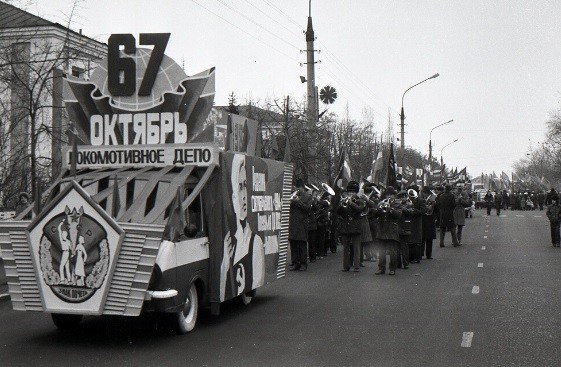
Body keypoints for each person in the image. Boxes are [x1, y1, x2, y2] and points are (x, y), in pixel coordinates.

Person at [336, 181, 366, 272]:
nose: (351, 194)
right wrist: (341, 205)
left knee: (356, 248)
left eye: (352, 192)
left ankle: (356, 266)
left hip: (356, 227)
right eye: (349, 192)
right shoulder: (344, 200)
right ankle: (346, 266)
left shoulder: (360, 201)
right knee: (346, 248)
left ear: (356, 192)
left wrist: (351, 203)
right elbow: (338, 212)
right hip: (346, 227)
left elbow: (359, 209)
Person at [374, 186, 402, 275]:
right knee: (381, 250)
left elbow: (398, 215)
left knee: (393, 251)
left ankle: (392, 269)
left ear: (394, 195)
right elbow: (375, 215)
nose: (389, 197)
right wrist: (378, 208)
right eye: (388, 195)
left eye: (391, 195)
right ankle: (381, 268)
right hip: (382, 229)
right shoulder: (382, 203)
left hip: (392, 229)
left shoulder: (398, 204)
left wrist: (390, 209)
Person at [288, 179, 312, 271]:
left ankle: (303, 263)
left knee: (302, 244)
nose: (297, 190)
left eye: (299, 188)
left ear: (302, 187)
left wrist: (298, 201)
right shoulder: (293, 195)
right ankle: (295, 262)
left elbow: (307, 209)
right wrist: (290, 201)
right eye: (296, 187)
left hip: (302, 223)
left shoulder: (307, 196)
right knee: (293, 243)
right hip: (293, 223)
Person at [421, 186, 437, 259]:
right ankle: (420, 254)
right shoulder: (421, 198)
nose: (423, 194)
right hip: (424, 219)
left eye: (424, 193)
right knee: (422, 238)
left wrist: (433, 206)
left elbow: (437, 208)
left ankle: (428, 254)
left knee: (429, 238)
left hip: (430, 219)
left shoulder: (433, 197)